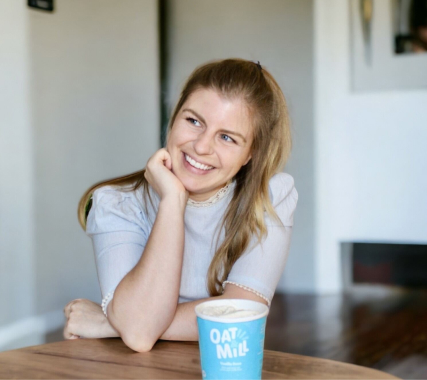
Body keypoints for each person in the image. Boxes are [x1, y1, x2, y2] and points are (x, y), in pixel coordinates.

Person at [63, 58, 298, 353]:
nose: (201, 146)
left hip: (223, 364)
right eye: (194, 121)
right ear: (174, 119)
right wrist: (173, 201)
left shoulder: (270, 197)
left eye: (227, 137)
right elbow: (138, 334)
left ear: (251, 153)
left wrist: (111, 323)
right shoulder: (116, 203)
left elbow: (242, 314)